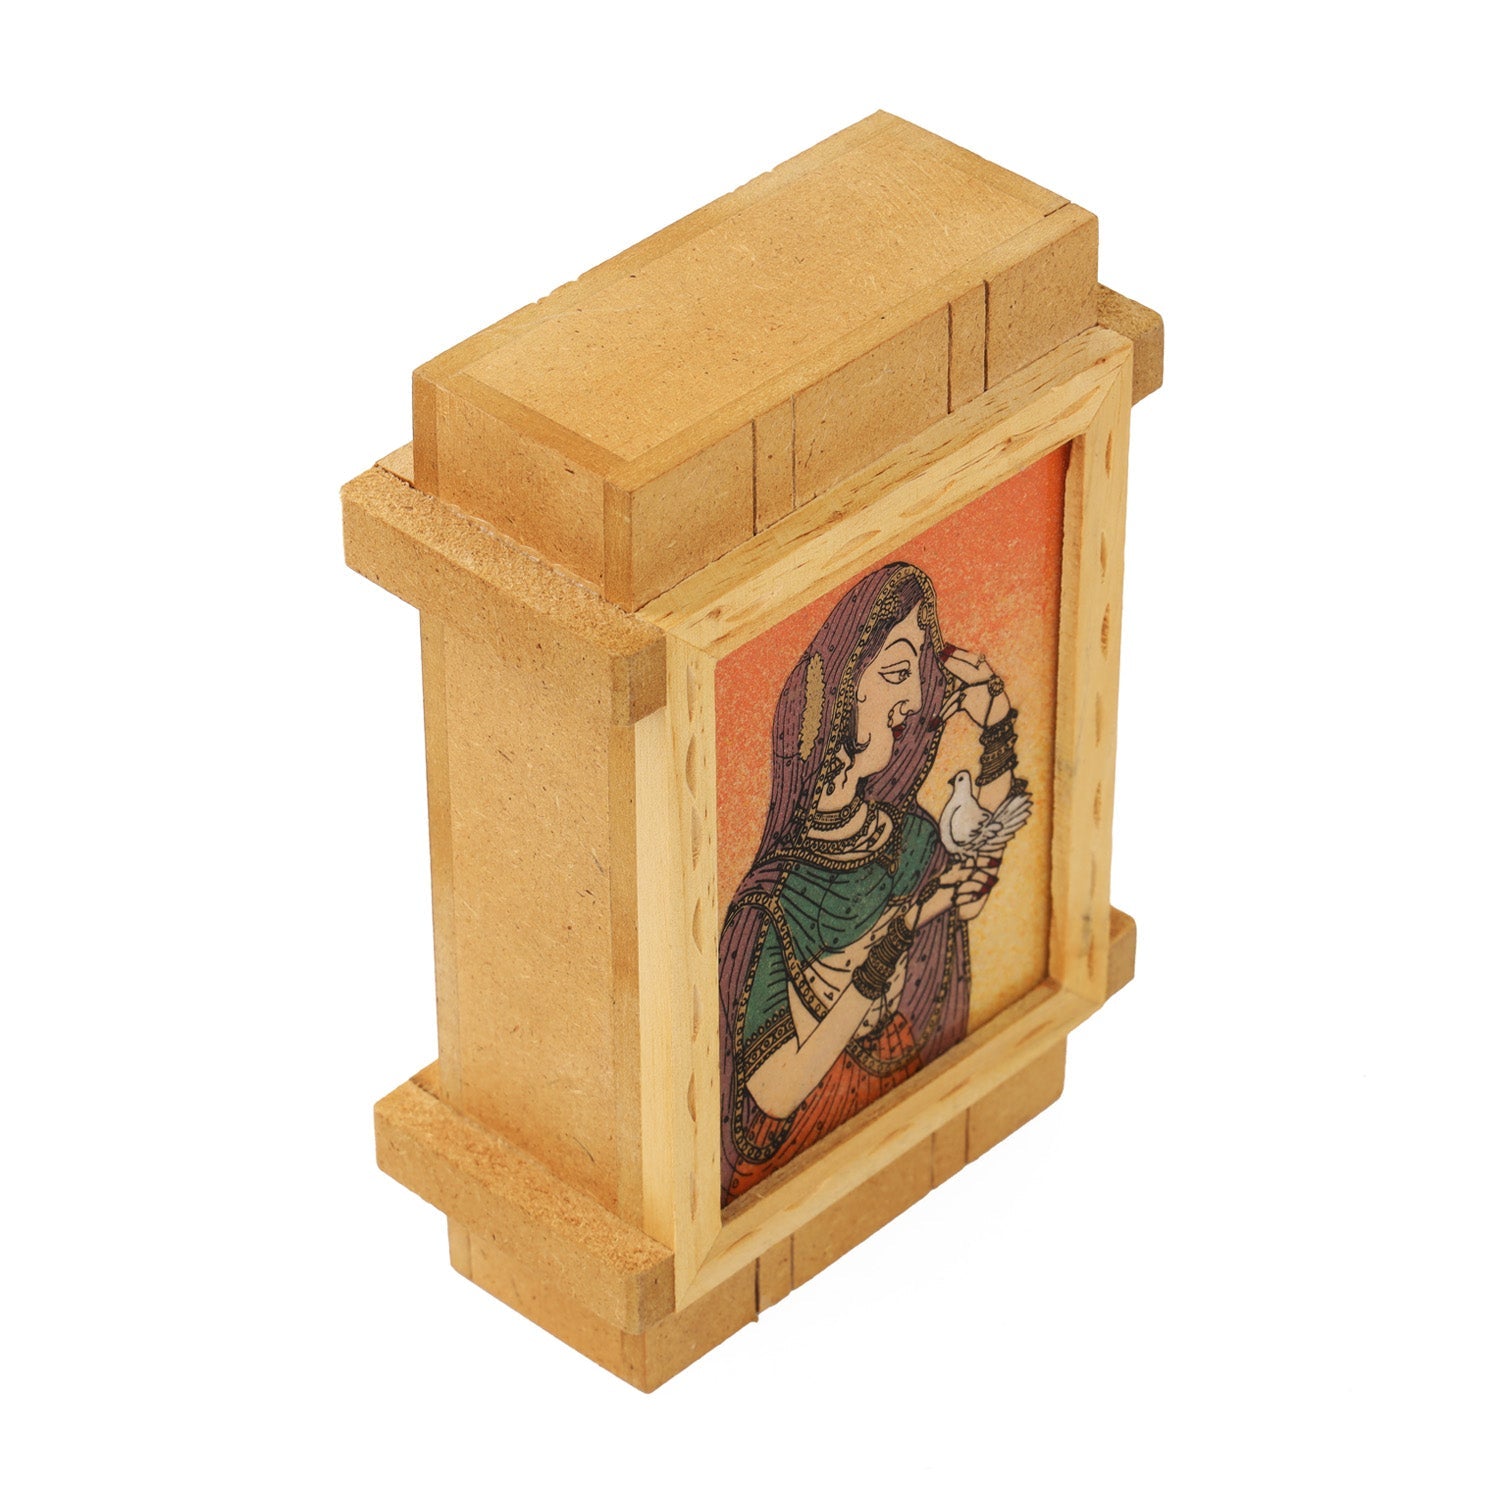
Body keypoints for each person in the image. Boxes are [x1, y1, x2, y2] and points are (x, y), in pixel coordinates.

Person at [719, 561, 1026, 1205]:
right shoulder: (770, 904)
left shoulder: (907, 835)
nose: (912, 699)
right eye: (894, 673)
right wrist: (889, 945)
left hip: (911, 1111)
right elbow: (774, 1091)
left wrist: (996, 726)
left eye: (915, 676)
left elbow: (976, 867)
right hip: (803, 1165)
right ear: (840, 693)